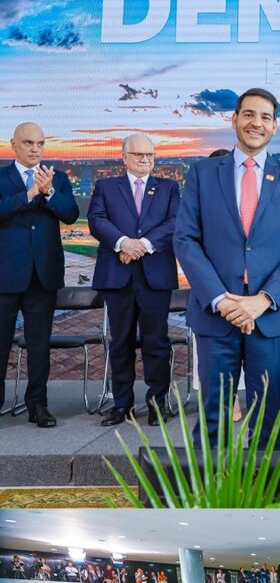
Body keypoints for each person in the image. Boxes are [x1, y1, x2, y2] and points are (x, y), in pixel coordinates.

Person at [173, 87, 280, 444]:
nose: (257, 123)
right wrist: (222, 300)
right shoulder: (202, 172)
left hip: (269, 316)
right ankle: (210, 481)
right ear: (234, 119)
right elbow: (185, 240)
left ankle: (267, 483)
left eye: (266, 117)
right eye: (249, 114)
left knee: (268, 418)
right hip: (215, 313)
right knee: (213, 416)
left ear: (275, 126)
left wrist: (263, 300)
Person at [87, 134, 179, 426]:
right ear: (124, 157)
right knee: (121, 343)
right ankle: (122, 405)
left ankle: (157, 405)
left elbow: (175, 222)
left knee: (156, 343)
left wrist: (142, 246)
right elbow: (96, 220)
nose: (145, 160)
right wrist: (123, 243)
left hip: (155, 277)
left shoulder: (169, 187)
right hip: (118, 276)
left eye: (150, 154)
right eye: (139, 154)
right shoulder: (105, 186)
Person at [0, 121, 79, 426]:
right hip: (5, 275)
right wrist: (30, 193)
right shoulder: (2, 177)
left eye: (40, 143)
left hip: (43, 276)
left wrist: (48, 193)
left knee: (39, 346)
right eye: (28, 143)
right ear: (13, 145)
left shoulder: (57, 178)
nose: (35, 149)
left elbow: (71, 214)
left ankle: (37, 405)